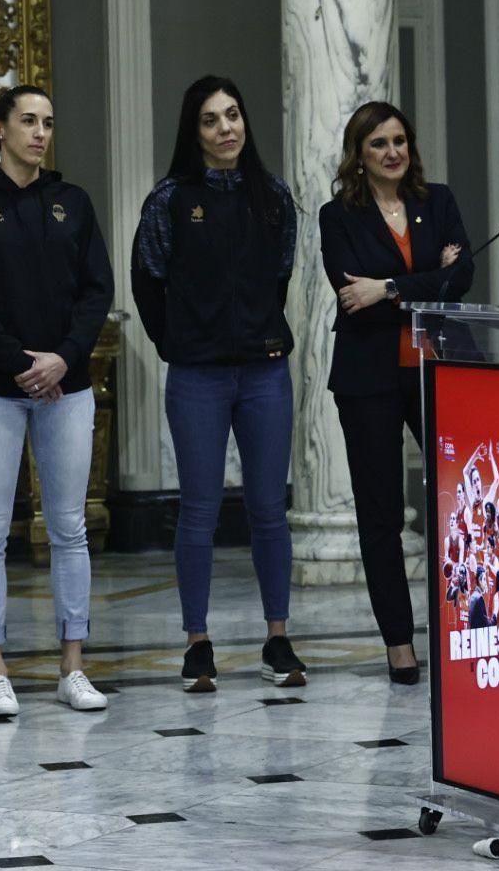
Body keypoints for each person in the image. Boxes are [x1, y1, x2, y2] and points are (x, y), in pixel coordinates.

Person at [0, 85, 114, 716]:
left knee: (69, 529)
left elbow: (97, 291)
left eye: (48, 122)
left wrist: (63, 357)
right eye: (28, 122)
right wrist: (20, 363)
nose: (40, 133)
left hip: (66, 385)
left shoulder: (73, 202)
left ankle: (73, 667)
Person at [132, 75, 305, 692]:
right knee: (199, 510)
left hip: (264, 370)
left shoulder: (274, 196)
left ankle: (278, 638)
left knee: (268, 509)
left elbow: (280, 274)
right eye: (211, 120)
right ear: (194, 131)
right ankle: (197, 643)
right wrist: (179, 342)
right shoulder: (171, 199)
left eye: (233, 115)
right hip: (197, 375)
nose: (226, 128)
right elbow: (148, 282)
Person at [317, 101, 473, 684]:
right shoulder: (339, 217)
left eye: (400, 141)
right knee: (379, 510)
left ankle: (464, 625)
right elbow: (348, 293)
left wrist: (386, 287)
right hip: (369, 377)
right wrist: (423, 281)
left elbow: (462, 278)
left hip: (440, 366)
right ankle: (399, 641)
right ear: (360, 153)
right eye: (379, 142)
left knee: (459, 505)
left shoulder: (439, 201)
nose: (392, 152)